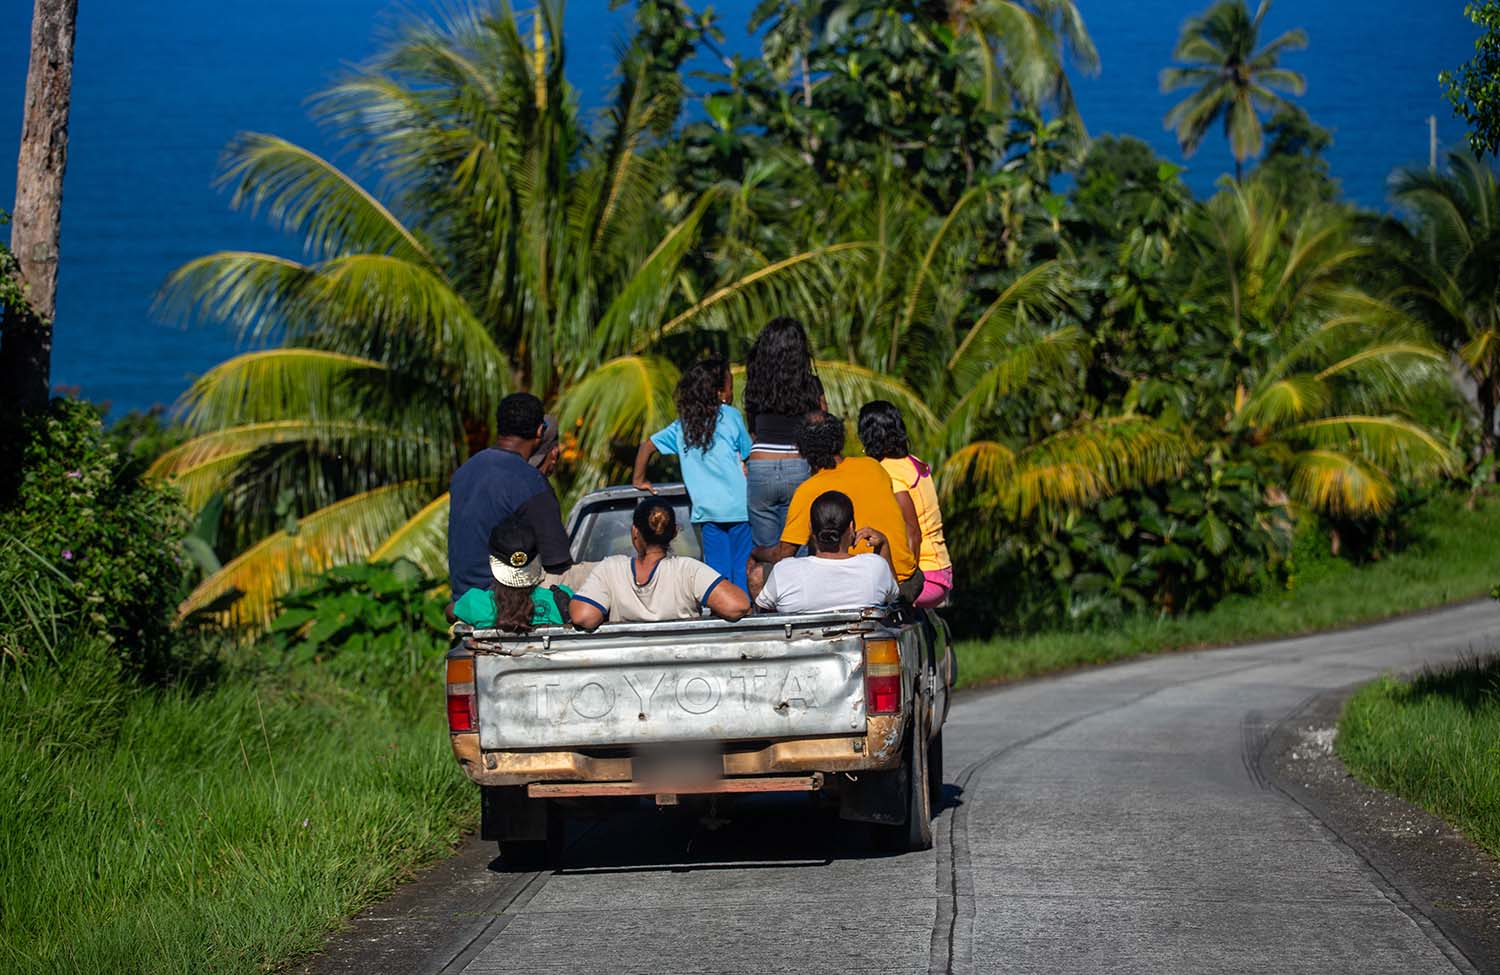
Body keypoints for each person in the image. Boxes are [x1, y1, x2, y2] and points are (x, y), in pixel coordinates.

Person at [749, 411, 923, 603]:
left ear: (803, 448)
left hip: (863, 586)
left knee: (758, 575)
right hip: (908, 580)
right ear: (839, 438)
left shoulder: (808, 490)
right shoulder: (873, 467)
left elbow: (783, 554)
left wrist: (757, 552)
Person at [632, 358, 754, 589]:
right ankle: (745, 612)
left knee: (718, 576)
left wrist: (639, 480)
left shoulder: (682, 426)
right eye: (730, 385)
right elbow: (749, 452)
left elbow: (647, 446)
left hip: (707, 512)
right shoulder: (731, 416)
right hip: (740, 508)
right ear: (719, 392)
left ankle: (723, 619)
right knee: (743, 570)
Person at [447, 393, 573, 597]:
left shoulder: (465, 471)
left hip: (464, 598)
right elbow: (557, 561)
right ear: (540, 430)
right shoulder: (530, 482)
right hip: (506, 601)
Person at [570, 498, 751, 630]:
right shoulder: (687, 569)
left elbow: (583, 616)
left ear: (635, 532)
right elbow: (737, 605)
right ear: (674, 533)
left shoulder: (611, 569)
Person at [857, 400, 954, 609]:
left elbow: (913, 532)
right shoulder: (912, 462)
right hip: (940, 570)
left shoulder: (889, 472)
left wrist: (908, 585)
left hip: (926, 577)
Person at [742, 318, 825, 550]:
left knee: (766, 553)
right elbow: (822, 424)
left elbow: (753, 430)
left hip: (760, 466)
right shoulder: (810, 385)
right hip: (798, 464)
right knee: (797, 550)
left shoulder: (755, 385)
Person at [754, 491, 900, 614]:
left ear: (810, 528)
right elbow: (894, 596)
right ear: (851, 527)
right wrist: (883, 545)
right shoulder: (875, 566)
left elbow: (764, 610)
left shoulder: (784, 570)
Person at [452, 516, 573, 631]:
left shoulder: (474, 601)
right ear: (537, 559)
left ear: (493, 562)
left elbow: (450, 612)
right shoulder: (561, 598)